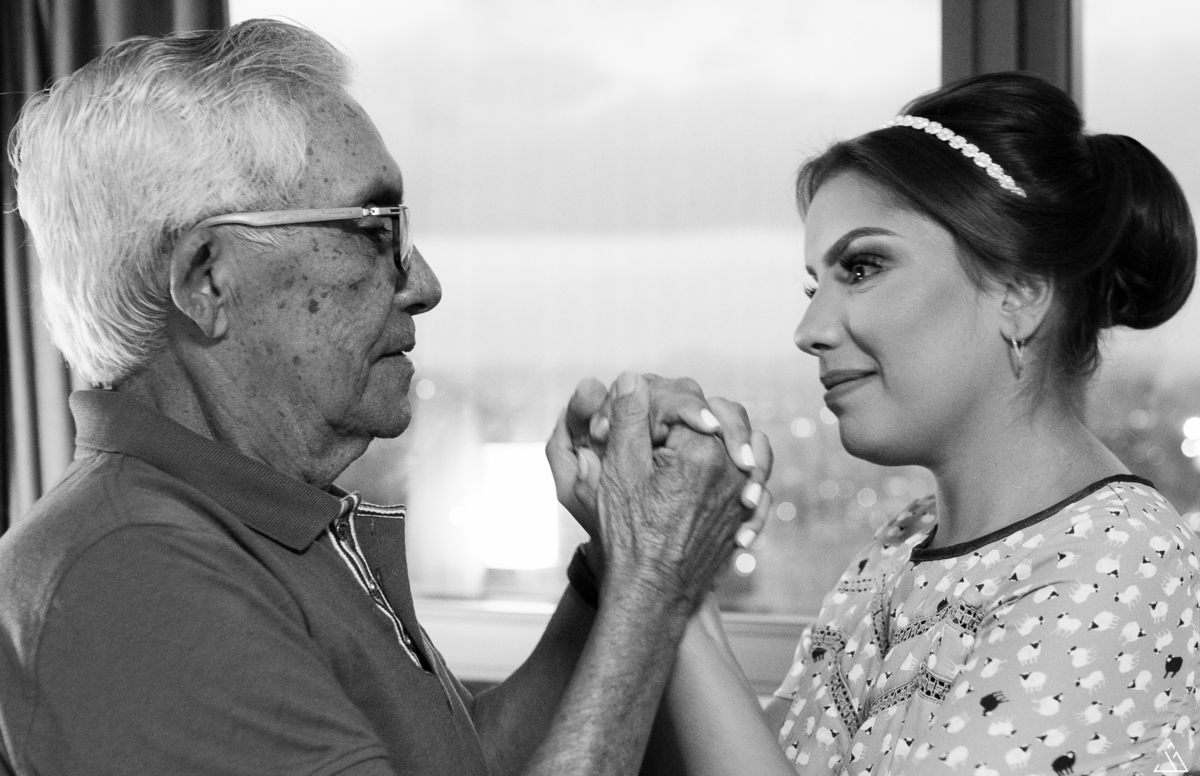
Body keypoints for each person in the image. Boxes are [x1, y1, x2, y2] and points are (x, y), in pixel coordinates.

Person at [0, 20, 774, 776]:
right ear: (208, 279)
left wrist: (612, 563)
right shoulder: (133, 577)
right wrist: (652, 587)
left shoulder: (258, 518)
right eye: (375, 230)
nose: (425, 284)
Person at [565, 72, 1200, 775]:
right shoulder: (899, 549)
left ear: (1021, 294)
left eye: (862, 267)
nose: (809, 329)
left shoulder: (1116, 564)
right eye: (815, 286)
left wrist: (661, 573)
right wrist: (644, 539)